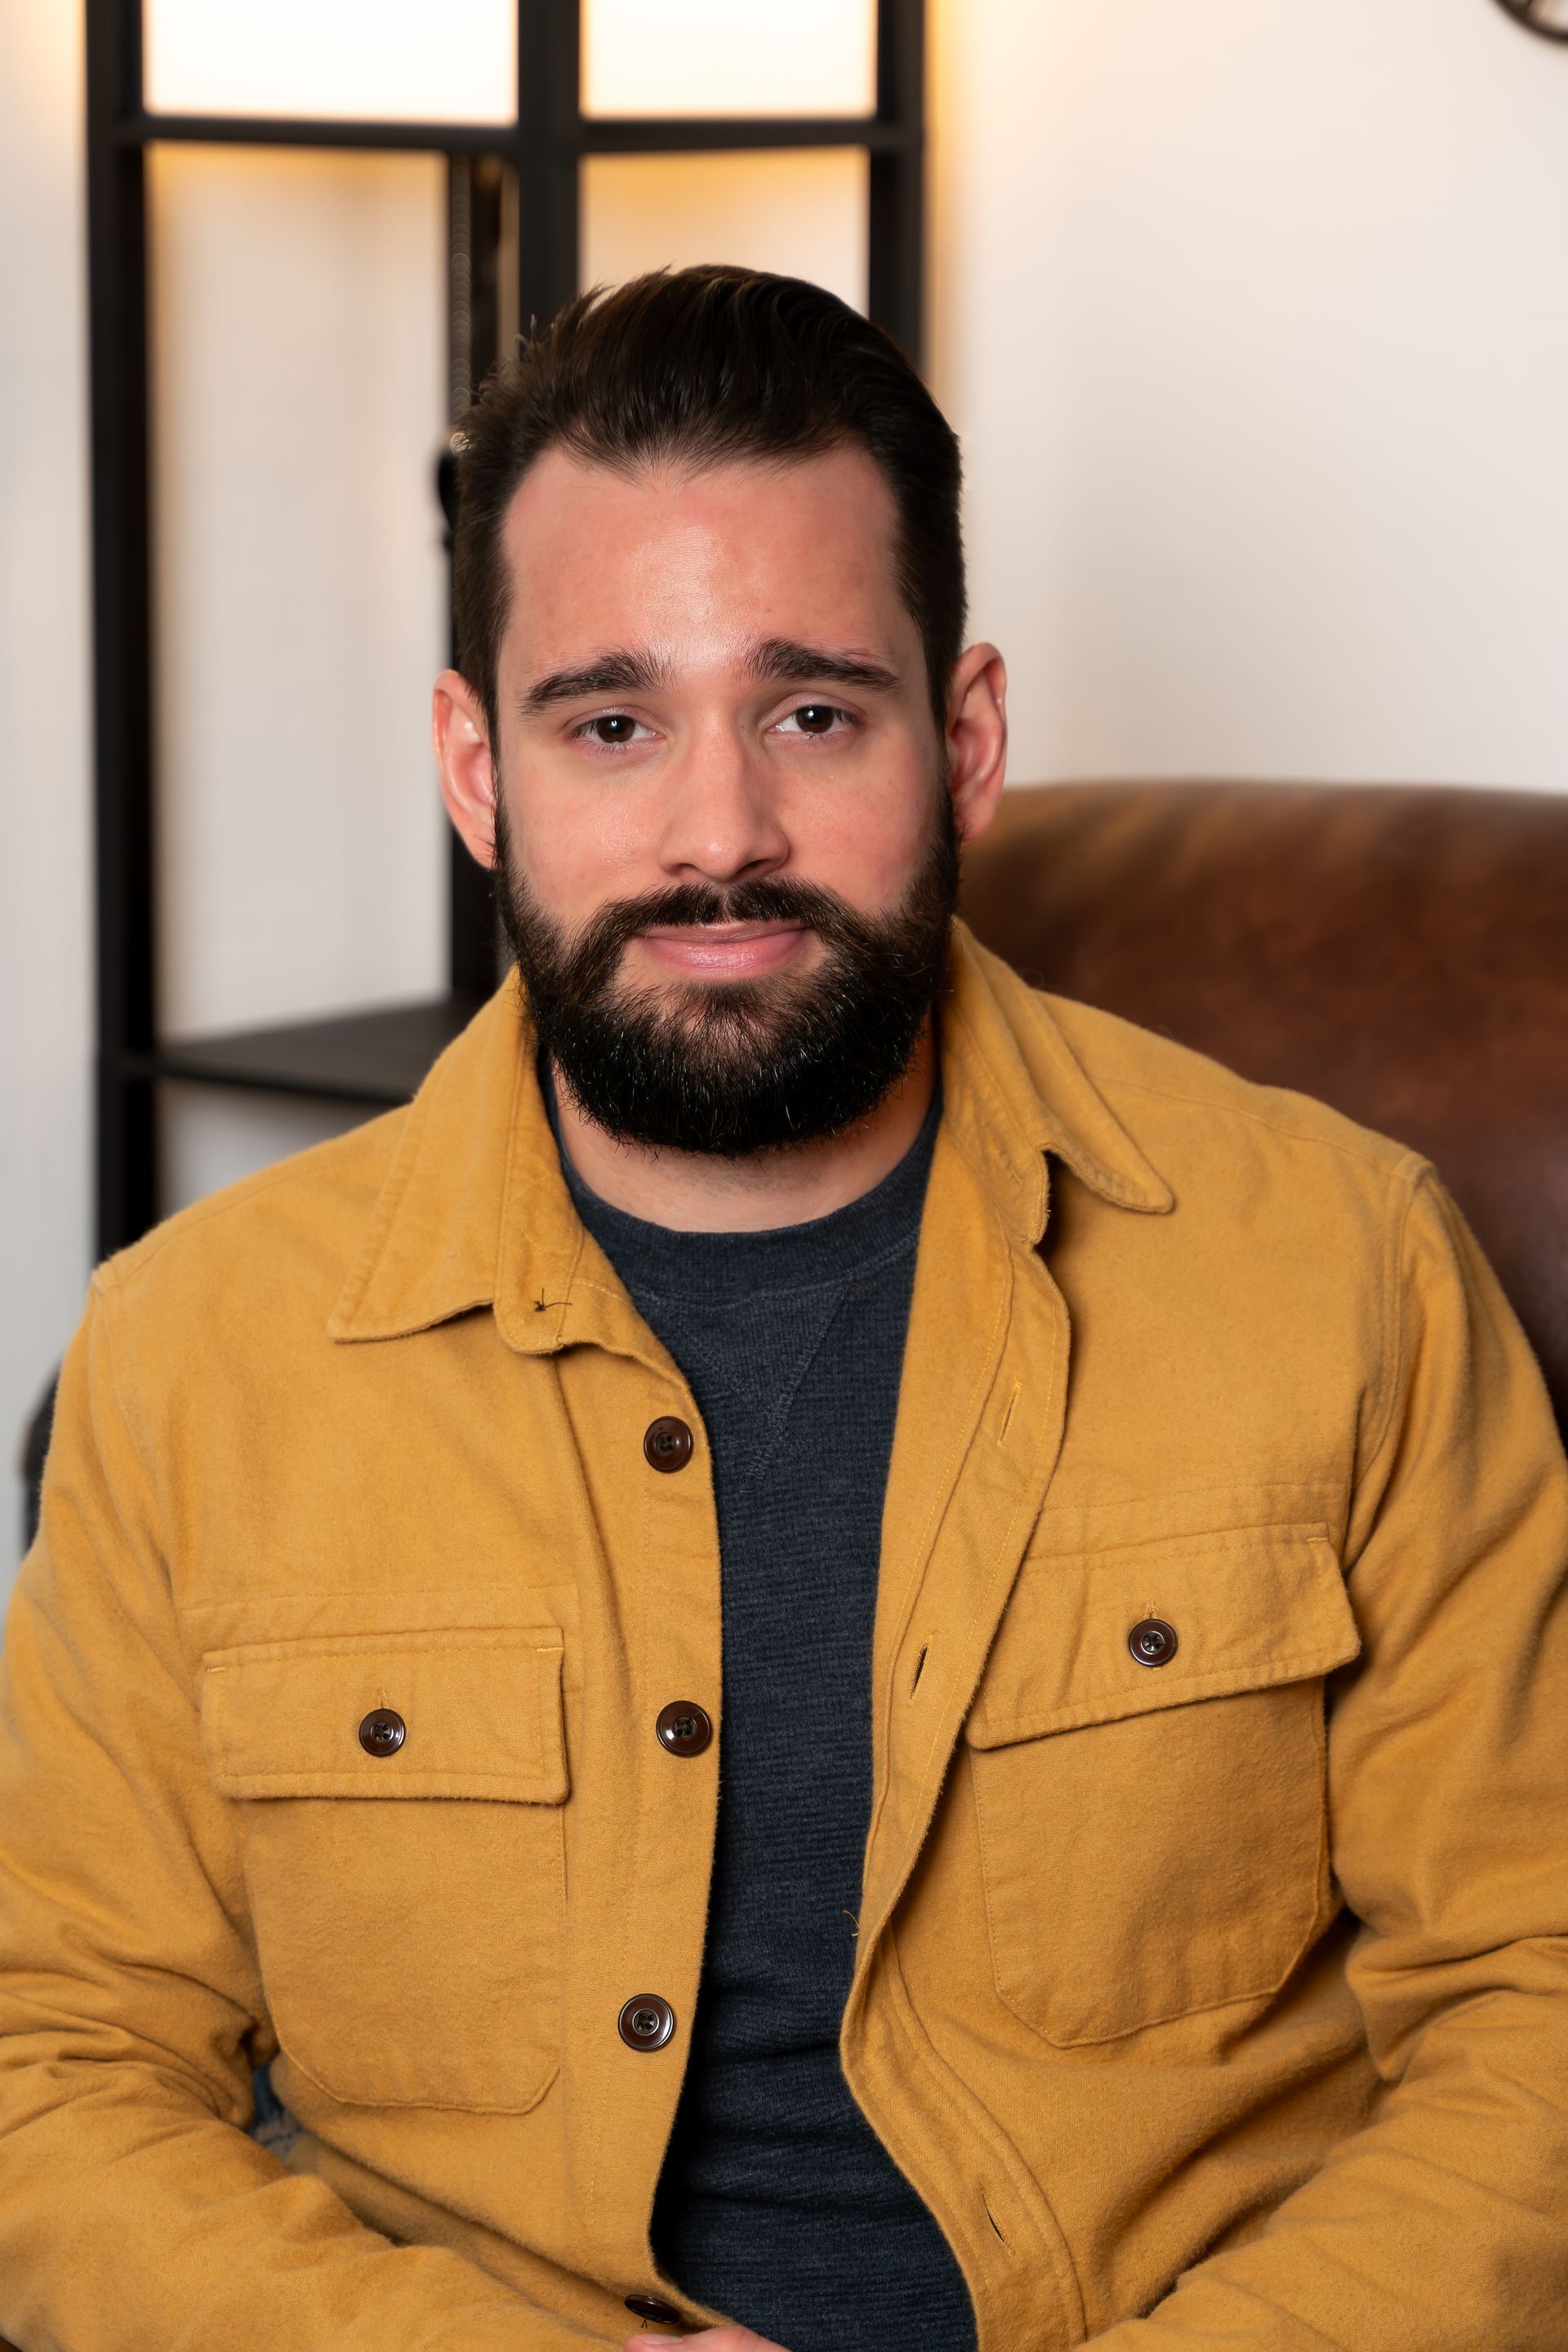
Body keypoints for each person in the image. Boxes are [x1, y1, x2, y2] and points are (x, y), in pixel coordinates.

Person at [1, 265, 1566, 2352]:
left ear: (968, 739)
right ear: (479, 769)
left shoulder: (1342, 1266)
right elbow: (55, 2069)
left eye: (812, 710)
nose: (718, 833)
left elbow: (1539, 2004)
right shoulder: (197, 1354)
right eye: (614, 721)